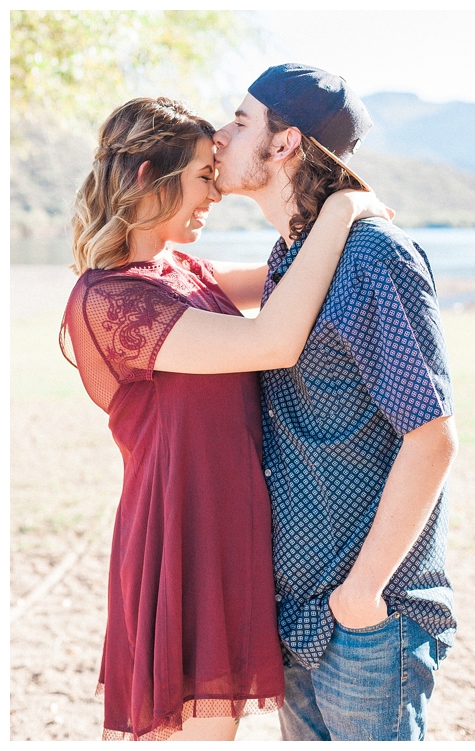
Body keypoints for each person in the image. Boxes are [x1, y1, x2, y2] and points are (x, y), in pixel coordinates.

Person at [60, 97, 391, 741]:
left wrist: (321, 215)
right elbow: (273, 339)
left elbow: (286, 277)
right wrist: (346, 207)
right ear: (144, 176)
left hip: (228, 531)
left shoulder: (181, 270)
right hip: (179, 536)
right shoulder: (112, 298)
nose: (215, 195)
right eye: (202, 178)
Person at [212, 64, 459, 741]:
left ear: (284, 142)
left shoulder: (373, 257)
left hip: (366, 624)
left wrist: (362, 593)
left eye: (238, 121)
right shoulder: (294, 258)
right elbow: (188, 283)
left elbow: (431, 435)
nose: (219, 135)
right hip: (297, 615)